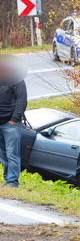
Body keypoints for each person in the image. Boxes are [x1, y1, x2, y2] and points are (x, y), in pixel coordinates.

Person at [0, 57, 27, 187]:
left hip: (10, 124)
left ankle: (13, 182)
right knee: (2, 155)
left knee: (12, 154)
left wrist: (14, 119)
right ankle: (7, 180)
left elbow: (22, 100)